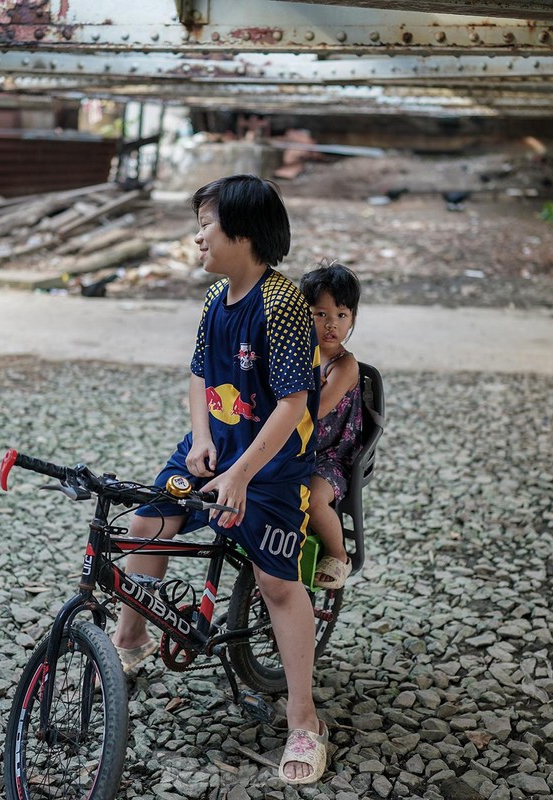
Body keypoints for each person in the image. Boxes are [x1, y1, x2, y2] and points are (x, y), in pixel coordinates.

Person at [110, 174, 329, 785]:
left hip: (273, 462)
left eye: (205, 223)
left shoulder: (281, 306)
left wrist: (239, 472)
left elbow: (291, 406)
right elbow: (199, 375)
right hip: (218, 447)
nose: (197, 235)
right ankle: (130, 643)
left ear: (243, 233)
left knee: (276, 582)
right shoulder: (215, 300)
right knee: (148, 520)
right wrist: (202, 439)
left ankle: (305, 720)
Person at [299, 261, 363, 591]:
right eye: (320, 314)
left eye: (341, 315)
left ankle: (339, 555)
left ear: (352, 318)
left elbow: (317, 409)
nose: (331, 325)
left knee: (311, 498)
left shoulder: (344, 365)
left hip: (329, 459)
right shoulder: (298, 355)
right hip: (295, 447)